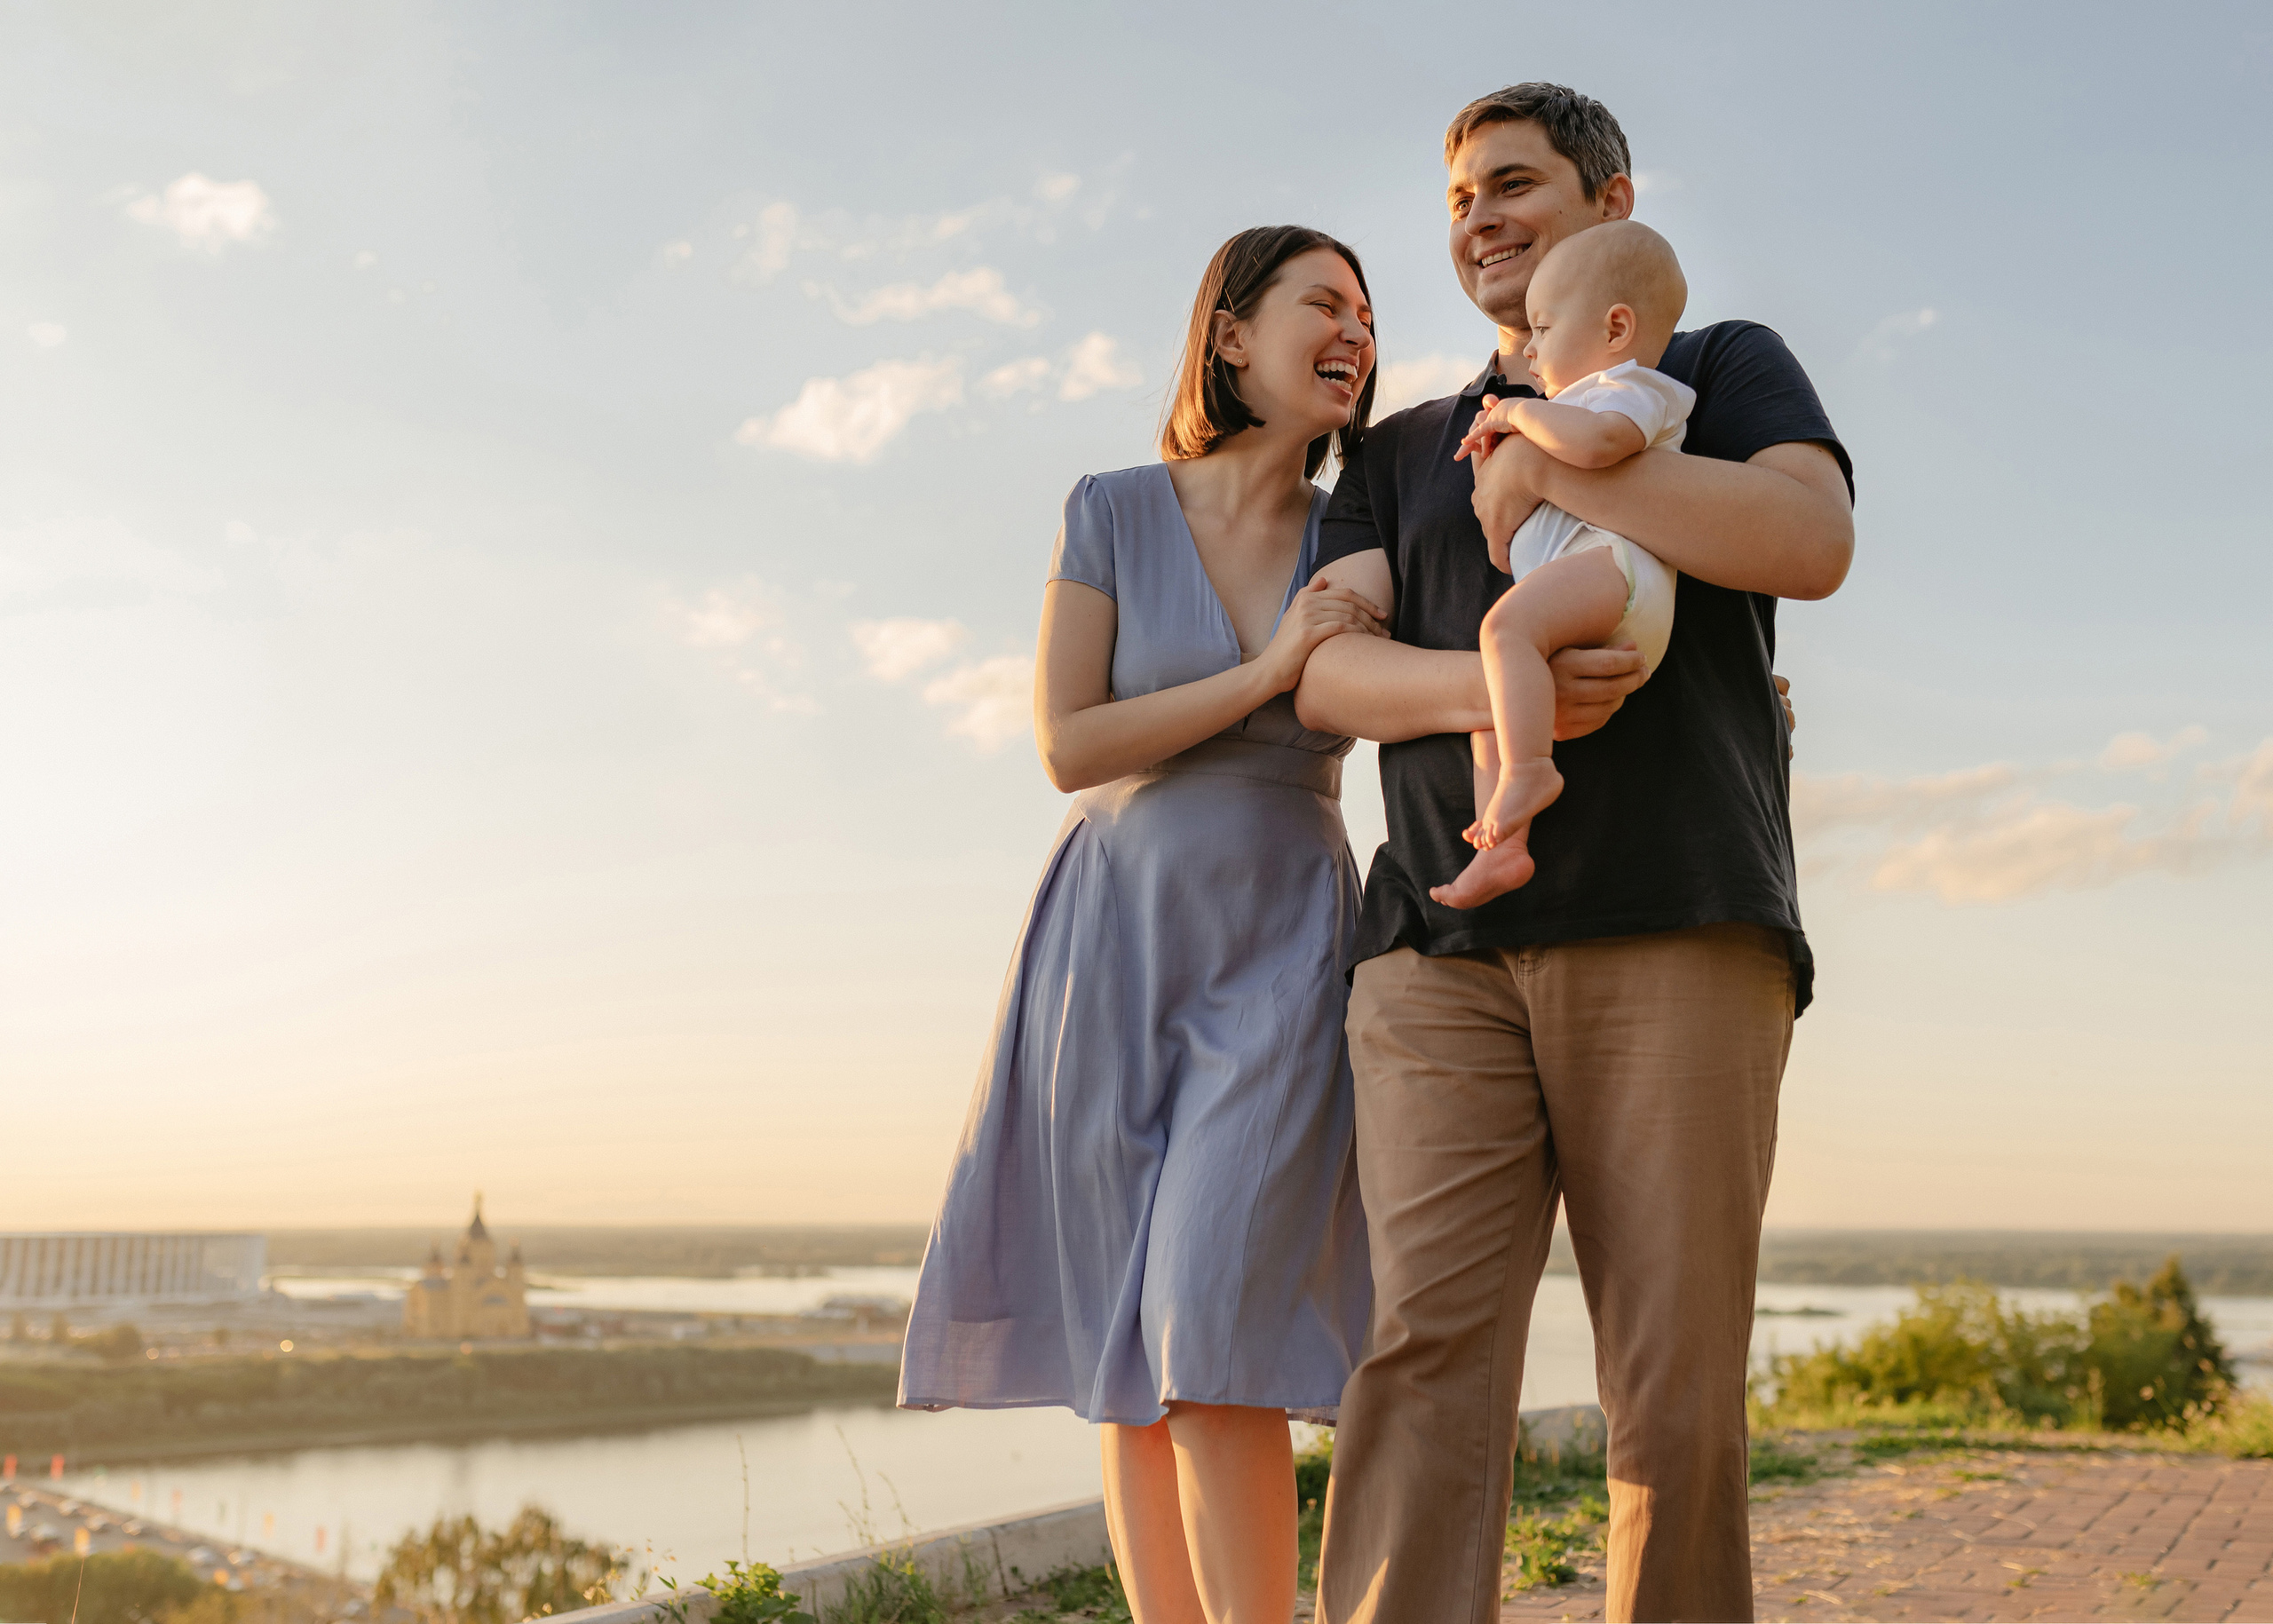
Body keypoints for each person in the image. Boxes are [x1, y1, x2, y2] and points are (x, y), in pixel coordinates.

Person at [1295, 84, 1856, 1624]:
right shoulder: (1399, 446)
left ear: (1612, 201)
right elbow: (1327, 673)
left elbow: (1805, 541)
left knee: (1672, 1387)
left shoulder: (1715, 365)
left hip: (1678, 920)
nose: (1479, 216)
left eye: (1514, 182)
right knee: (1417, 1361)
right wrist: (1490, 687)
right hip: (1430, 950)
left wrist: (1557, 460)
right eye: (1461, 194)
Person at [899, 226, 1386, 1624]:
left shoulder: (1364, 523)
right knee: (1129, 1343)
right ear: (1231, 336)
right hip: (1108, 935)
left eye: (1368, 311)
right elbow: (1069, 739)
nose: (1355, 328)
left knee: (1213, 1327)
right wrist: (1271, 672)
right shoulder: (1109, 506)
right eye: (1323, 303)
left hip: (1283, 941)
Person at [1434, 220, 1695, 908]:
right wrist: (1495, 479)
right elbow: (1507, 552)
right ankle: (1504, 847)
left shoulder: (1628, 387)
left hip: (1617, 573)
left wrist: (1520, 417)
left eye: (1545, 329)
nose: (1534, 346)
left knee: (1502, 634)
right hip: (1583, 581)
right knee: (1490, 700)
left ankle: (1533, 771)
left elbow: (1603, 443)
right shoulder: (1563, 412)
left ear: (1615, 329)